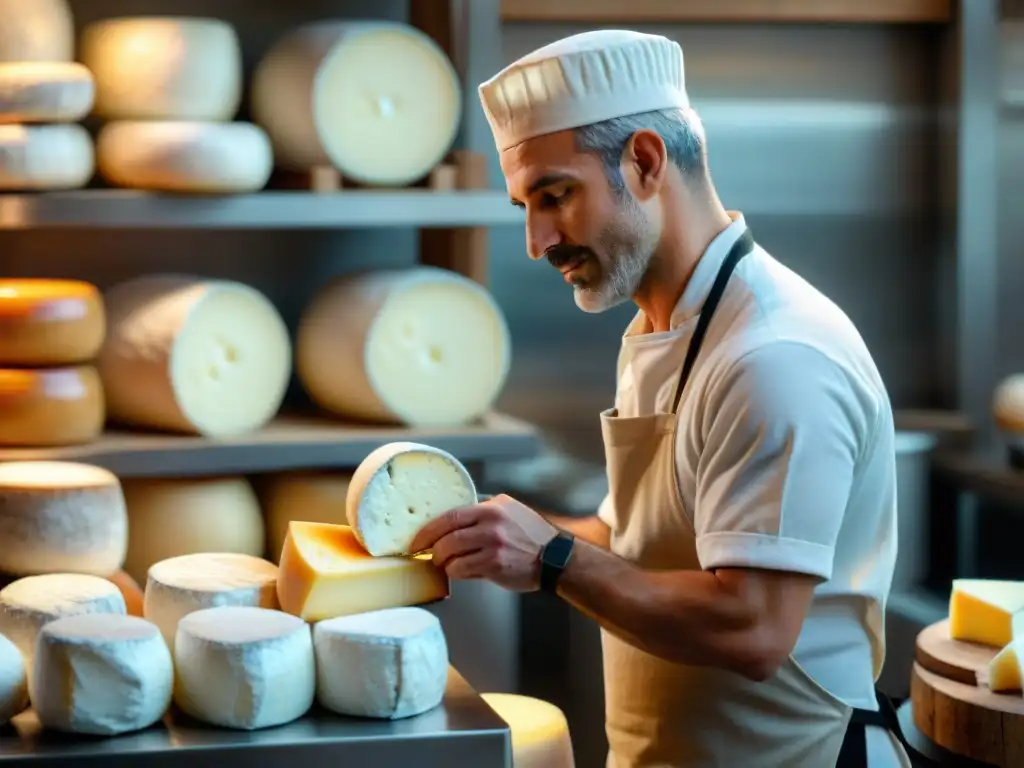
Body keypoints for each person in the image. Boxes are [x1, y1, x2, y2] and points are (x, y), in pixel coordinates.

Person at [410, 30, 915, 767]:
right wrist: (490, 535)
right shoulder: (664, 327)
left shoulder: (775, 356)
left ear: (645, 162)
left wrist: (550, 558)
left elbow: (752, 629)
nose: (536, 238)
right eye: (526, 204)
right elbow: (638, 542)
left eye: (555, 196)